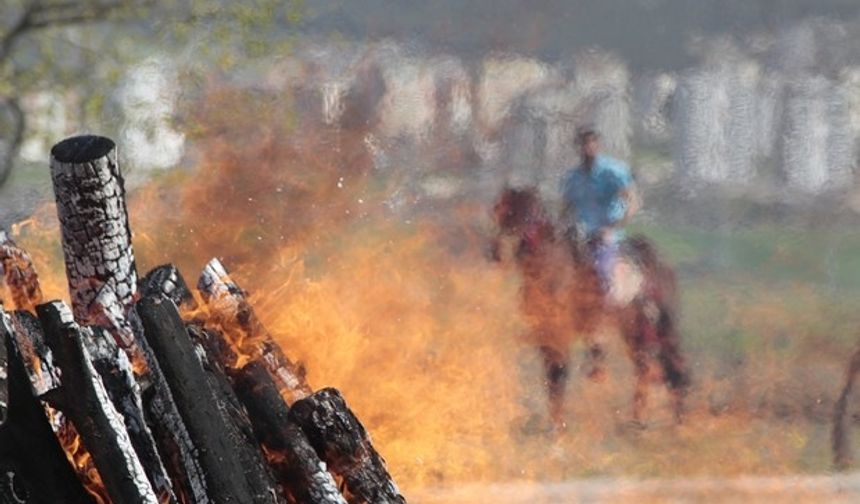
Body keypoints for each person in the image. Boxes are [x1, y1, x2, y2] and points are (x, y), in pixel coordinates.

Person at [561, 128, 640, 298]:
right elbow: (567, 207)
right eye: (584, 143)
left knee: (602, 273)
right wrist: (560, 227)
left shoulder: (612, 171)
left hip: (605, 235)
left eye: (591, 142)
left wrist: (615, 227)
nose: (588, 147)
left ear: (598, 145)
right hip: (580, 234)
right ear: (578, 147)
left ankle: (607, 310)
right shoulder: (574, 177)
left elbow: (633, 201)